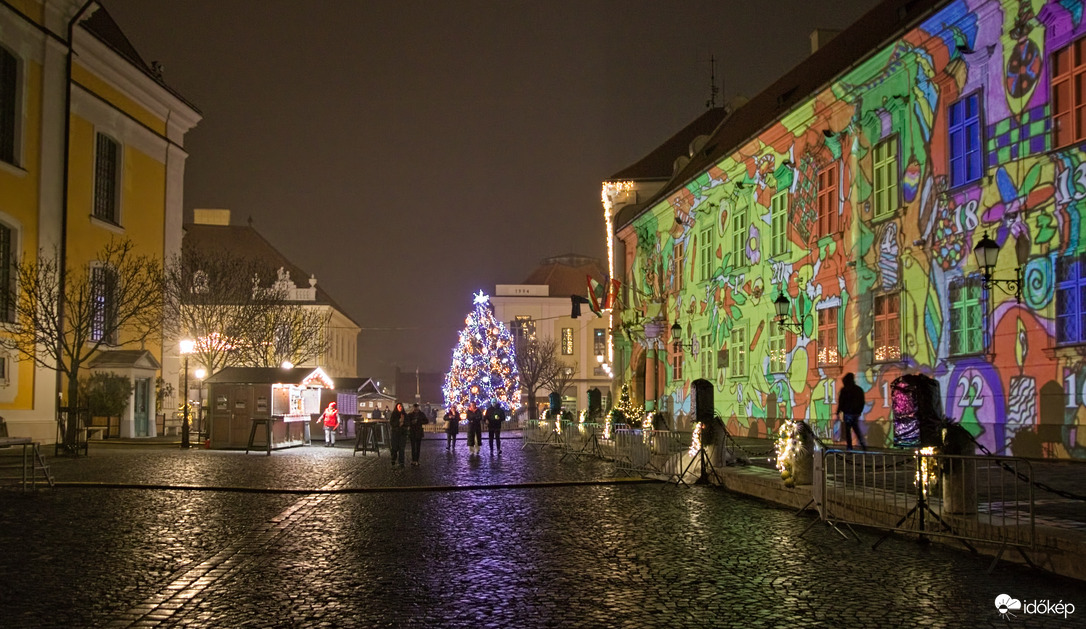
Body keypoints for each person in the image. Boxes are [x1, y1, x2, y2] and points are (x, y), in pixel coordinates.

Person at [836, 372, 867, 450]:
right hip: (855, 413)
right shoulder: (858, 389)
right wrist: (859, 411)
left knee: (848, 431)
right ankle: (862, 445)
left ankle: (849, 446)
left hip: (847, 413)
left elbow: (841, 401)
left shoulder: (844, 390)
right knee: (856, 429)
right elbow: (862, 401)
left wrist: (839, 411)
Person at [388, 402, 407, 467]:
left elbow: (407, 423)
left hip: (402, 433)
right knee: (394, 448)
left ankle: (401, 462)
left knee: (402, 448)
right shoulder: (394, 414)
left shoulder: (405, 414)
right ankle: (393, 459)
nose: (400, 408)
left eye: (401, 407)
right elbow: (392, 423)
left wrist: (403, 424)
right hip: (395, 433)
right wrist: (398, 422)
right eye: (399, 407)